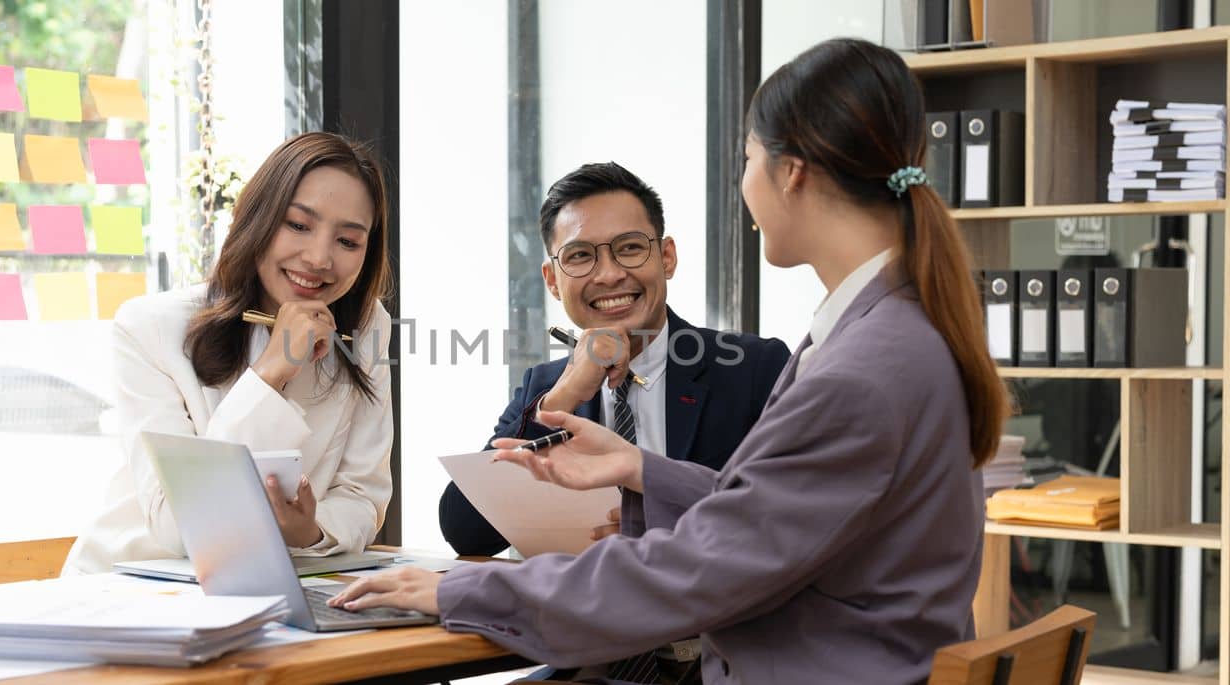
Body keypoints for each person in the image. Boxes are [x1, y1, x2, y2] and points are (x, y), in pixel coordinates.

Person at [329, 37, 1010, 684]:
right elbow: (773, 522)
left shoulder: (860, 368)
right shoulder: (893, 331)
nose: (744, 184)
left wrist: (465, 586)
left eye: (746, 158)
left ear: (792, 172)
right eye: (581, 257)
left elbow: (703, 563)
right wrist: (639, 468)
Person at [65, 132, 394, 574]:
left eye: (348, 242)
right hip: (138, 587)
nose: (318, 258)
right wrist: (270, 373)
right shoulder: (149, 327)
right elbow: (179, 524)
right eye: (298, 225)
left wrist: (310, 532)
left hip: (271, 583)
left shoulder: (367, 326)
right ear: (258, 217)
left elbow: (363, 496)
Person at [438, 162, 791, 557]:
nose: (608, 275)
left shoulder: (753, 368)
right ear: (553, 281)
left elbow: (790, 514)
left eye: (630, 248)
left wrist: (658, 521)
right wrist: (565, 395)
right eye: (580, 255)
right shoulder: (546, 387)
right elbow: (466, 531)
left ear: (667, 257)